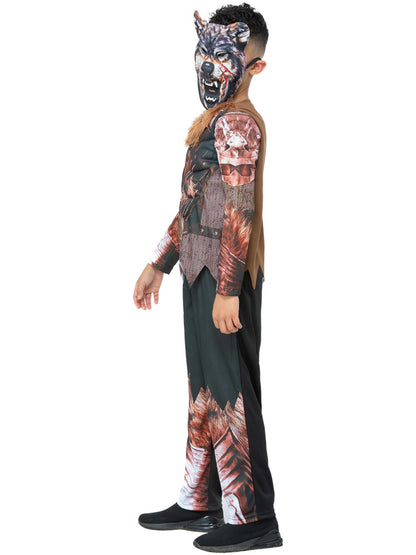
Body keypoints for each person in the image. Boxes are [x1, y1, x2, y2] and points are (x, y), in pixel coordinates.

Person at [133, 4, 283, 552]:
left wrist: (227, 288)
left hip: (225, 280)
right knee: (204, 390)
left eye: (225, 55)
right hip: (200, 272)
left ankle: (253, 517)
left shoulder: (238, 122)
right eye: (205, 52)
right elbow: (197, 204)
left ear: (254, 66)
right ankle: (201, 499)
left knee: (231, 392)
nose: (209, 66)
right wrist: (159, 262)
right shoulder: (213, 123)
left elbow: (239, 209)